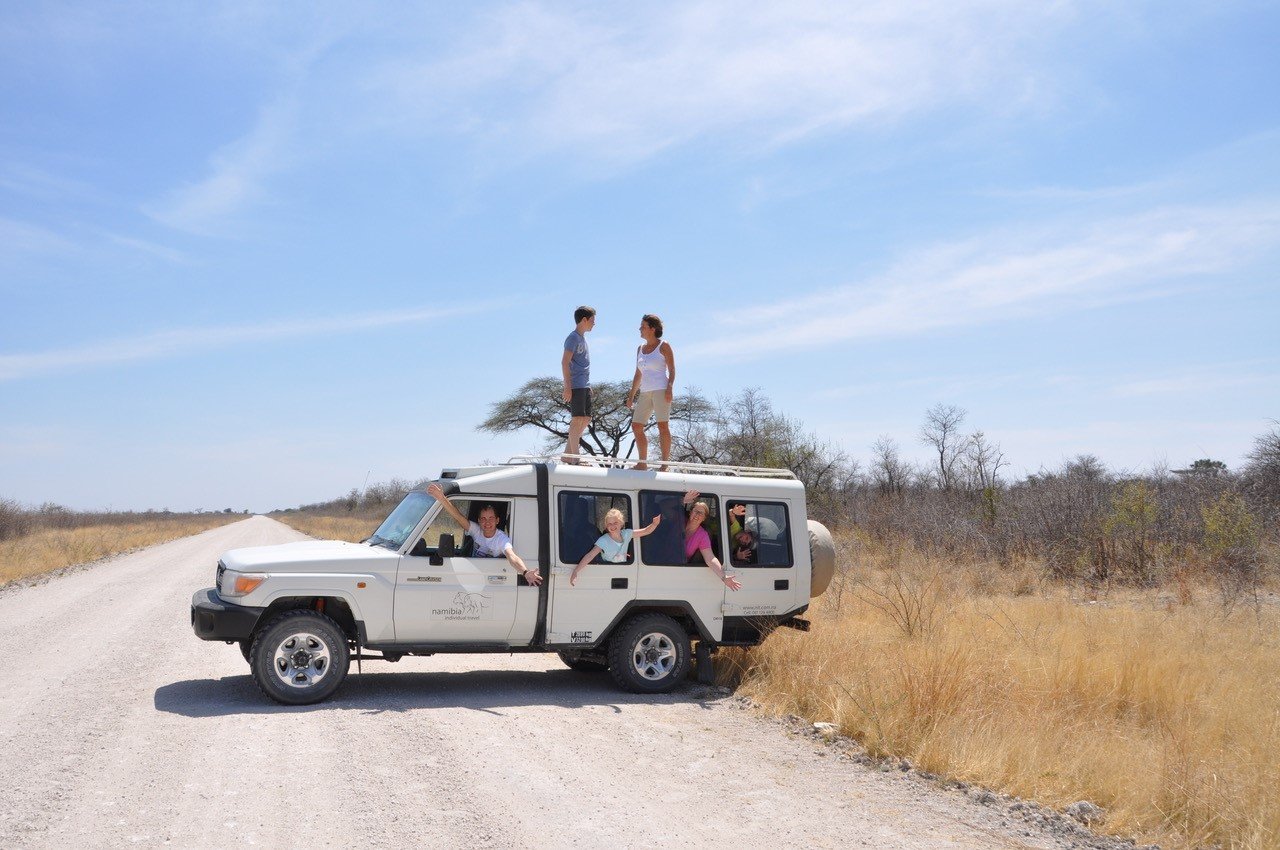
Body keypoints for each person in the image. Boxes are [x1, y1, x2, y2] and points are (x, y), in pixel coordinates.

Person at [426, 483, 542, 586]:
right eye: (483, 519)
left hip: (490, 580)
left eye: (491, 518)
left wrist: (525, 572)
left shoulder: (501, 539)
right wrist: (442, 498)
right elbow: (457, 516)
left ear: (497, 520)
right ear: (479, 521)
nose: (487, 522)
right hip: (470, 575)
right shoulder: (476, 531)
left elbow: (512, 557)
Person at [625, 314, 675, 470]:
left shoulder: (664, 346)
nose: (640, 329)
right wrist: (631, 395)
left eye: (643, 326)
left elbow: (672, 370)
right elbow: (638, 373)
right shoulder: (639, 348)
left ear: (652, 329)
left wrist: (670, 388)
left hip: (661, 389)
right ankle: (642, 463)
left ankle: (664, 464)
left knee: (662, 426)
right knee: (636, 426)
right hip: (645, 392)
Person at [570, 509, 662, 585]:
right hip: (608, 573)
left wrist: (654, 524)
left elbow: (646, 531)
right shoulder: (603, 540)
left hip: (623, 572)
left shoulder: (627, 533)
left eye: (615, 522)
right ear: (606, 526)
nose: (612, 526)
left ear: (621, 523)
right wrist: (576, 571)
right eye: (609, 523)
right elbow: (590, 555)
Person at [683, 491, 743, 591]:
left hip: (676, 568)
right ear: (690, 512)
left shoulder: (702, 535)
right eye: (695, 511)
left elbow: (710, 558)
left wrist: (724, 577)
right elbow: (664, 510)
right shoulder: (679, 520)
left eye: (701, 513)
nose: (697, 515)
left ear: (704, 518)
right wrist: (683, 500)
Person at [561, 306, 596, 462]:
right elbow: (564, 362)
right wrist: (567, 387)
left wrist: (588, 385)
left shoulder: (583, 338)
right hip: (576, 384)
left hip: (584, 384)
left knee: (586, 418)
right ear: (584, 320)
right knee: (577, 419)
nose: (594, 324)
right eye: (592, 320)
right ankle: (576, 458)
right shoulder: (573, 338)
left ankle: (567, 455)